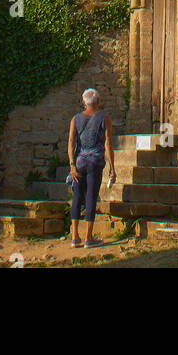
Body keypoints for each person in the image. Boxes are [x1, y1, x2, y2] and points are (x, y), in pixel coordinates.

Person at [67, 88, 116, 248]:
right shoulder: (104, 118)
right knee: (90, 198)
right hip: (95, 162)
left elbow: (71, 143)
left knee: (77, 197)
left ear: (83, 102)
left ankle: (75, 236)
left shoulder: (75, 119)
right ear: (98, 102)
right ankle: (88, 237)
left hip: (79, 162)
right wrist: (112, 167)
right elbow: (108, 143)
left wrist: (72, 165)